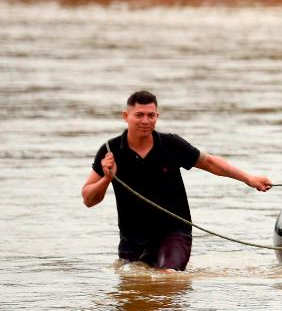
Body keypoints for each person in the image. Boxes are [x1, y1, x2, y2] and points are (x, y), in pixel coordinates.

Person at [81, 91, 272, 271]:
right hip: (132, 240)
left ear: (157, 116)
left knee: (168, 277)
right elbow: (89, 200)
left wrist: (249, 178)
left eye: (151, 115)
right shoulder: (110, 151)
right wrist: (107, 178)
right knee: (134, 289)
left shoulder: (172, 144)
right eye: (139, 115)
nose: (145, 121)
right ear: (126, 116)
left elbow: (210, 162)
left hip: (173, 233)